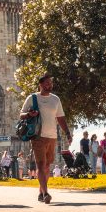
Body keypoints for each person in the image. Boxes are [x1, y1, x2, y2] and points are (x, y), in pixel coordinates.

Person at [20, 73, 71, 204]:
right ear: (41, 84)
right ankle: (46, 193)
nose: (49, 85)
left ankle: (40, 192)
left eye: (51, 83)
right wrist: (29, 114)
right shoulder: (32, 98)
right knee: (41, 165)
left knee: (47, 166)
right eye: (47, 83)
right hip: (38, 136)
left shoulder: (55, 99)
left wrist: (67, 133)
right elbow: (21, 115)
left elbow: (60, 117)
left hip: (52, 136)